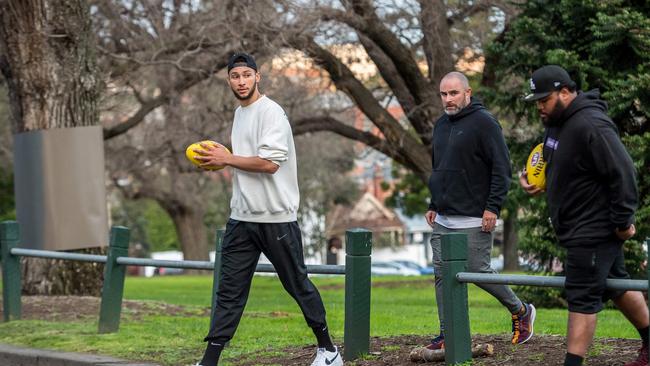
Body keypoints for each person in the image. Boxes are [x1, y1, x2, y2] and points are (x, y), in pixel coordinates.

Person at [193, 53, 342, 366]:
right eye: (236, 76)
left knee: (297, 284)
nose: (242, 81)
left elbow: (270, 164)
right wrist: (224, 160)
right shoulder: (239, 113)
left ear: (258, 77)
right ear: (229, 81)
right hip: (241, 218)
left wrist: (227, 158)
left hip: (276, 218)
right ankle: (209, 361)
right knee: (228, 291)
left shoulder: (272, 112)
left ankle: (328, 350)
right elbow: (245, 161)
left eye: (247, 75)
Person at [520, 65, 649, 366]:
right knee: (616, 285)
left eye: (544, 99)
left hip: (591, 230)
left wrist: (622, 222)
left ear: (565, 92)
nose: (539, 106)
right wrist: (536, 179)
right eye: (536, 100)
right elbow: (555, 160)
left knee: (581, 298)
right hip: (576, 226)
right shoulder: (556, 123)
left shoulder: (591, 124)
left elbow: (624, 172)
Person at [425, 71, 536, 350]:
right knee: (442, 275)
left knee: (478, 270)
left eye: (453, 93)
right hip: (444, 217)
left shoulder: (485, 123)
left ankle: (521, 311)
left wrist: (492, 207)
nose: (448, 99)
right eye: (444, 94)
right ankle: (446, 333)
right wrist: (433, 203)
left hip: (476, 215)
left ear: (468, 93)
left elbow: (501, 168)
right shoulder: (440, 125)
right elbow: (439, 168)